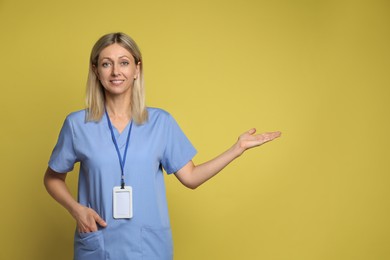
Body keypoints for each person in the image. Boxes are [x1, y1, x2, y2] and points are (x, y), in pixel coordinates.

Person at [44, 32, 281, 260]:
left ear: (137, 69)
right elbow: (52, 178)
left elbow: (191, 177)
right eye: (107, 64)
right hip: (98, 244)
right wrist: (76, 210)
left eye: (124, 63)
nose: (116, 71)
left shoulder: (161, 122)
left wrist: (236, 149)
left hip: (149, 248)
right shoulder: (77, 125)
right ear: (96, 71)